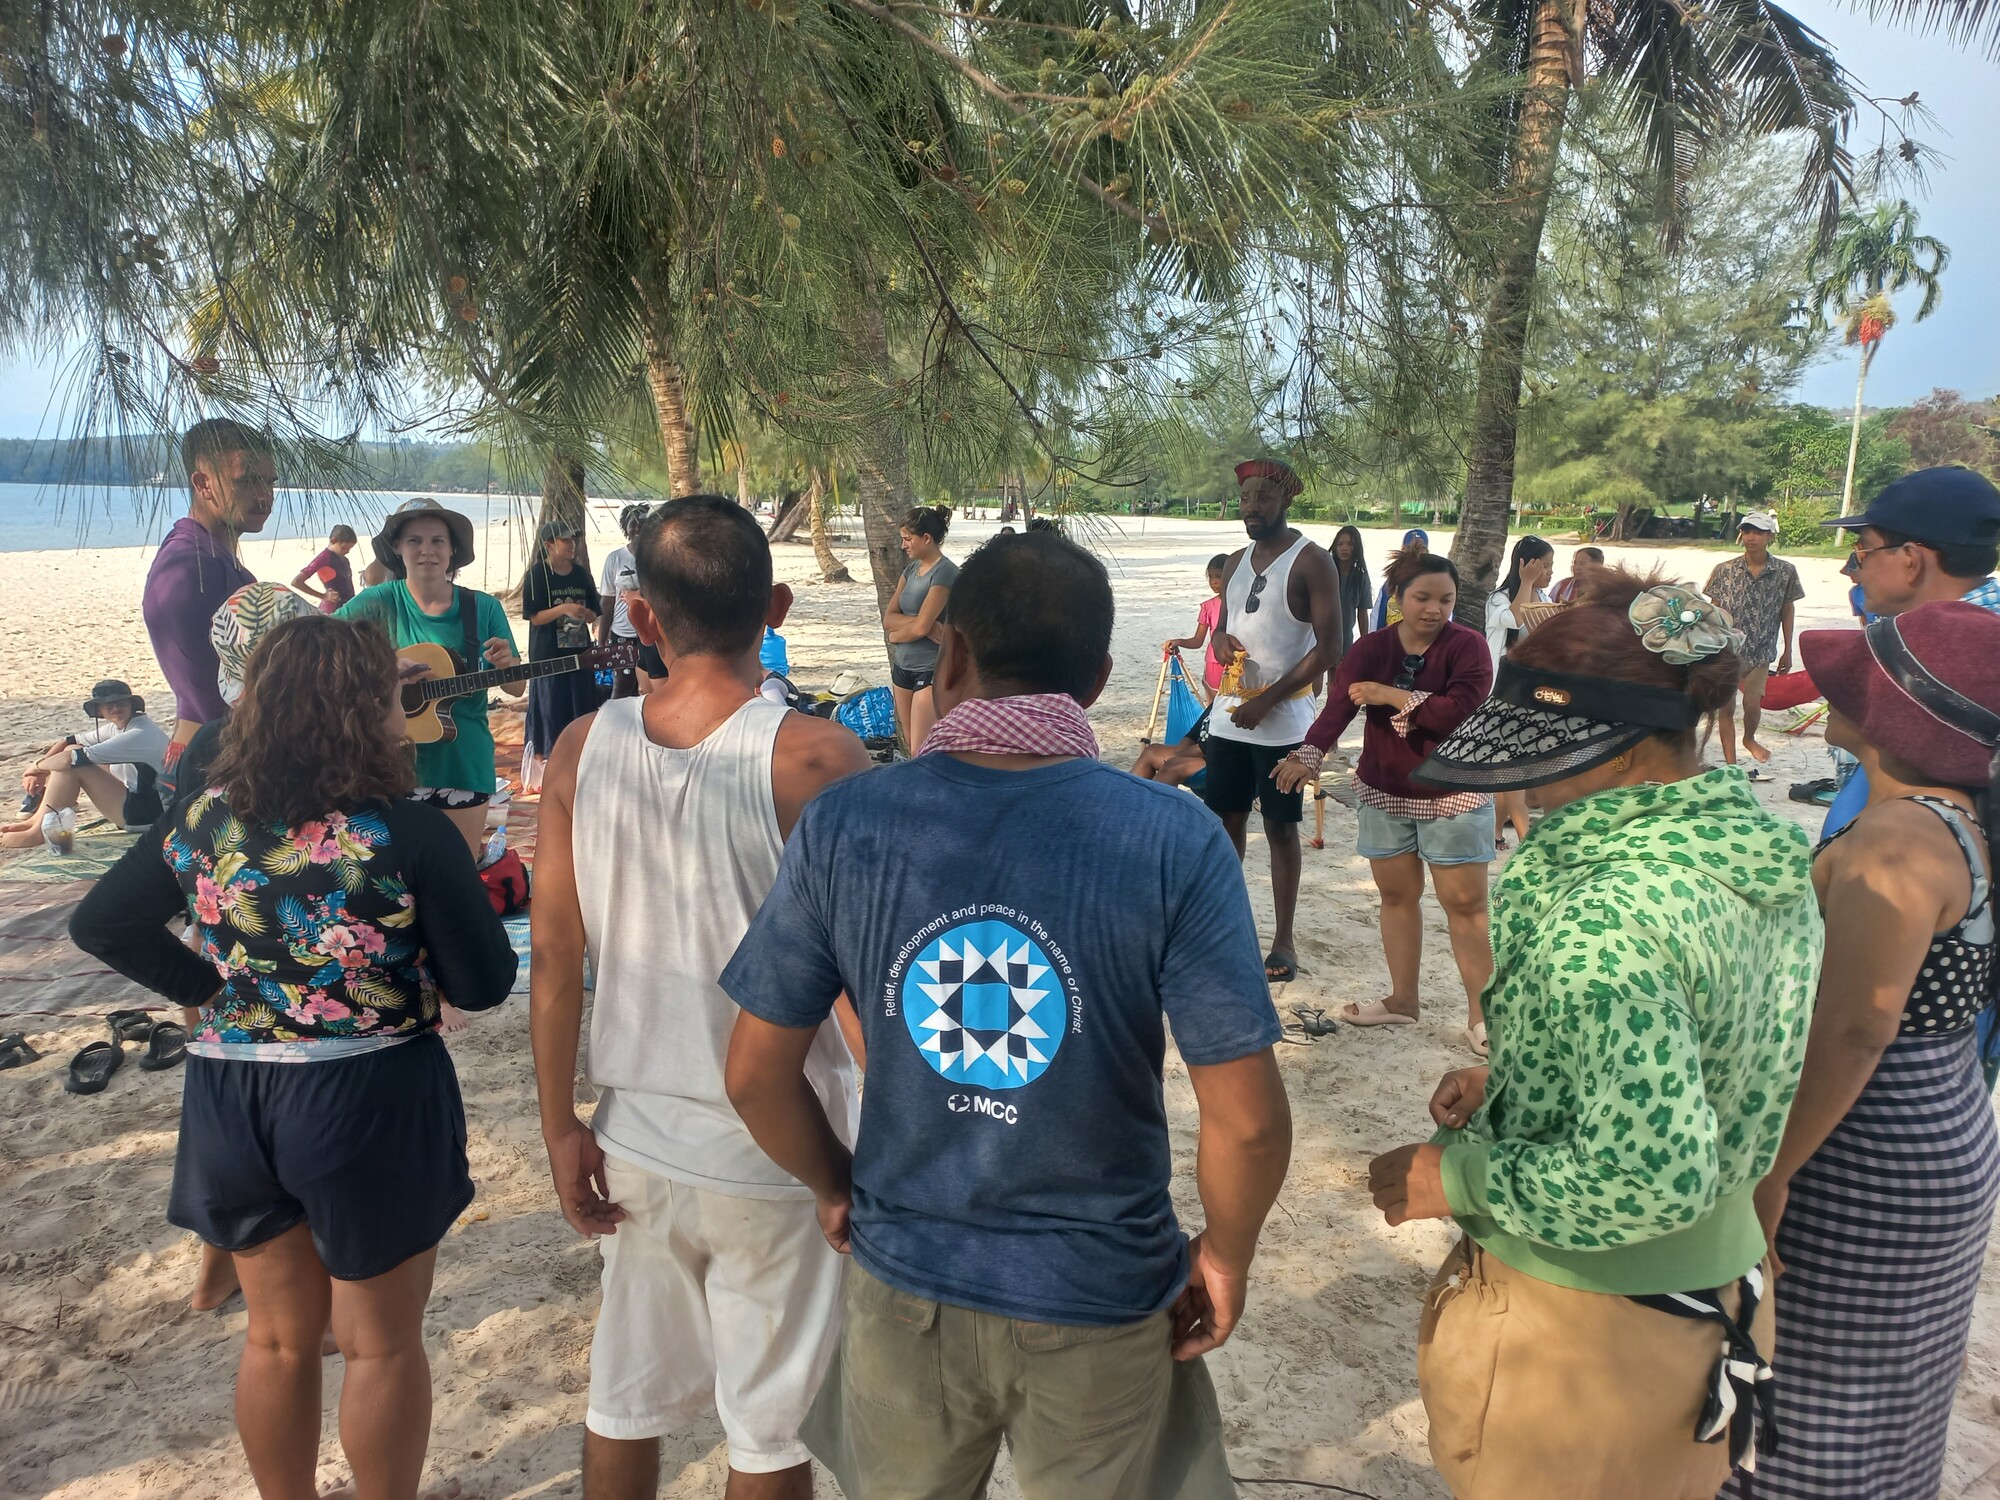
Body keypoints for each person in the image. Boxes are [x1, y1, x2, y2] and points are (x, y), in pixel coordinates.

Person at [721, 529, 1292, 1500]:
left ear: (948, 654)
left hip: (908, 1281)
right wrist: (1224, 1253)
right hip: (1103, 1295)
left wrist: (836, 1186)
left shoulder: (849, 825)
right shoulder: (1173, 839)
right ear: (1101, 678)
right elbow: (1243, 1119)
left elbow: (752, 1074)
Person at [1364, 573, 1817, 1499]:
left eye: (1543, 756)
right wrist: (1527, 1074)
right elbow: (1709, 1050)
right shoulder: (1750, 858)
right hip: (1712, 1305)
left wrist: (1452, 1175)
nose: (1525, 782)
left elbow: (1646, 1174)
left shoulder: (1606, 912)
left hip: (1596, 1332)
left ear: (1615, 755)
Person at [69, 615, 517, 1500]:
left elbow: (101, 923)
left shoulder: (202, 820)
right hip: (369, 1094)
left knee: (275, 1339)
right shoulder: (407, 832)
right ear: (359, 709)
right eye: (389, 690)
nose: (403, 704)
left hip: (232, 1095)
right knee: (379, 1342)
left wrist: (215, 986)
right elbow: (484, 984)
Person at [531, 495, 870, 1500]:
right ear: (777, 605)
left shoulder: (585, 747)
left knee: (621, 1403)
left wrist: (559, 1127)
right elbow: (858, 979)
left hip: (634, 1132)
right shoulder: (815, 757)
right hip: (781, 1143)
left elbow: (555, 958)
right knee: (769, 1430)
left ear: (640, 617)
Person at [1733, 601, 2000, 1500]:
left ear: (1896, 719)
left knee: (1807, 1395)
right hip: (1945, 1115)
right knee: (1888, 1403)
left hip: (1863, 1137)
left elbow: (1854, 1028)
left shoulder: (1894, 837)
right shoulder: (1961, 820)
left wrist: (1772, 1172)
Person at [1273, 556, 1494, 1051]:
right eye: (1423, 598)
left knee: (1465, 906)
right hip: (1384, 790)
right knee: (1396, 897)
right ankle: (1402, 1001)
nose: (1435, 609)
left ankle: (1482, 1018)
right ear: (1397, 598)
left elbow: (1458, 713)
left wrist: (1387, 695)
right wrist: (1308, 754)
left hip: (1454, 793)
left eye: (1446, 600)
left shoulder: (1468, 648)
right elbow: (1338, 707)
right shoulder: (1372, 648)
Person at [1205, 458, 1340, 985]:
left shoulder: (1313, 562)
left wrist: (1268, 701)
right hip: (1228, 716)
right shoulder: (1236, 559)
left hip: (1283, 722)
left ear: (1286, 501)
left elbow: (1328, 649)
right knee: (1225, 822)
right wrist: (1217, 641)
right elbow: (1225, 624)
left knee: (1281, 827)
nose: (1252, 507)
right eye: (1245, 498)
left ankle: (1283, 939)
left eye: (1263, 498)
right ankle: (1222, 925)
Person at [1819, 465, 2000, 841]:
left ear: (1911, 560)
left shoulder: (1962, 659)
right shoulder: (1963, 640)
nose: (1856, 567)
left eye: (1863, 550)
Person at [337, 497, 523, 858]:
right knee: (394, 872)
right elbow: (321, 645)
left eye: (437, 540)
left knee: (460, 866)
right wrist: (383, 666)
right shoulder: (377, 601)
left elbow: (516, 688)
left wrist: (507, 665)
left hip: (464, 763)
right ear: (397, 548)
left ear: (452, 549)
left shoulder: (483, 608)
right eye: (414, 541)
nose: (427, 550)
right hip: (388, 763)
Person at [142, 419, 272, 767]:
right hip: (216, 759)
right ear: (203, 483)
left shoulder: (211, 557)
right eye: (247, 482)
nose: (264, 496)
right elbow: (217, 693)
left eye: (270, 482)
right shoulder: (191, 568)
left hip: (218, 749)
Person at [0, 679, 169, 848]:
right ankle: (37, 820)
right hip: (142, 802)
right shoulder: (121, 726)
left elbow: (69, 760)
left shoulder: (139, 733)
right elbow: (69, 741)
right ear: (99, 710)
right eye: (108, 704)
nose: (115, 708)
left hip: (151, 816)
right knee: (73, 750)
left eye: (121, 702)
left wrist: (33, 768)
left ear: (132, 704)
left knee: (73, 763)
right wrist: (39, 773)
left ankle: (37, 833)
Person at [1703, 511, 1804, 778]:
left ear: (1770, 536)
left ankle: (1749, 738)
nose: (1751, 537)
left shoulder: (1785, 572)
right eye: (1747, 531)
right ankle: (1732, 765)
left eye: (1758, 532)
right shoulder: (1724, 571)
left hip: (1761, 650)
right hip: (1726, 649)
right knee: (1726, 707)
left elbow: (1787, 610)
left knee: (1752, 704)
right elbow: (1713, 610)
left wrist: (1788, 649)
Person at [519, 520, 605, 775]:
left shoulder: (581, 574)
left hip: (579, 653)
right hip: (547, 655)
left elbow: (594, 613)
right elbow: (535, 617)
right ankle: (546, 763)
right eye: (565, 540)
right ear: (549, 545)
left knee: (581, 708)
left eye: (573, 539)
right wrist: (563, 609)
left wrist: (586, 616)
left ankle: (580, 761)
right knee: (550, 711)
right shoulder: (537, 575)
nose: (572, 544)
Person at [1485, 536, 1555, 847]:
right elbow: (1516, 617)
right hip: (1502, 693)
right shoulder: (1499, 599)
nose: (1550, 572)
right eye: (1545, 566)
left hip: (1531, 692)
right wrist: (1525, 582)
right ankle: (1527, 840)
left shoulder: (1544, 596)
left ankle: (1496, 832)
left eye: (1552, 566)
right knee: (1512, 768)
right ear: (1526, 565)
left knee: (1511, 769)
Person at [884, 505, 958, 752]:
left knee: (922, 748)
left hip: (930, 669)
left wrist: (897, 635)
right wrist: (918, 625)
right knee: (909, 740)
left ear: (926, 538)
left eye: (907, 539)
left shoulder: (945, 572)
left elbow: (918, 628)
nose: (904, 545)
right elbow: (889, 618)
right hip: (903, 667)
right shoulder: (910, 570)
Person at [598, 503, 652, 697]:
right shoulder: (615, 559)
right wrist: (602, 640)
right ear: (625, 527)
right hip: (622, 632)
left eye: (643, 523)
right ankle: (616, 724)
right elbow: (607, 602)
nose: (638, 527)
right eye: (633, 523)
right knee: (622, 684)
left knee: (650, 687)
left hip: (651, 633)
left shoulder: (656, 558)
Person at [1162, 553, 1230, 695]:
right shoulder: (1208, 607)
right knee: (1213, 707)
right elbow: (1197, 641)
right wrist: (1178, 642)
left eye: (1218, 576)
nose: (1213, 582)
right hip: (1214, 664)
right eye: (1210, 577)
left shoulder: (1244, 605)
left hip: (1237, 663)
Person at [290, 524, 358, 613]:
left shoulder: (344, 559)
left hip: (348, 606)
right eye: (344, 548)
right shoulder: (324, 558)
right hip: (333, 608)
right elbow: (296, 582)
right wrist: (323, 596)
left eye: (350, 549)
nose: (347, 552)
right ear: (333, 540)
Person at [1372, 527, 1429, 629]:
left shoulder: (1435, 586)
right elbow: (1376, 619)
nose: (1417, 553)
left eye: (1422, 548)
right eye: (1409, 547)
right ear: (1402, 551)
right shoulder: (1389, 585)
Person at [1331, 524, 1371, 656]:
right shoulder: (1326, 572)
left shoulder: (1361, 577)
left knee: (1340, 674)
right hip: (1320, 636)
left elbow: (1362, 611)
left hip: (1345, 637)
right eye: (1340, 544)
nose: (1344, 548)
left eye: (1350, 544)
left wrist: (1365, 641)